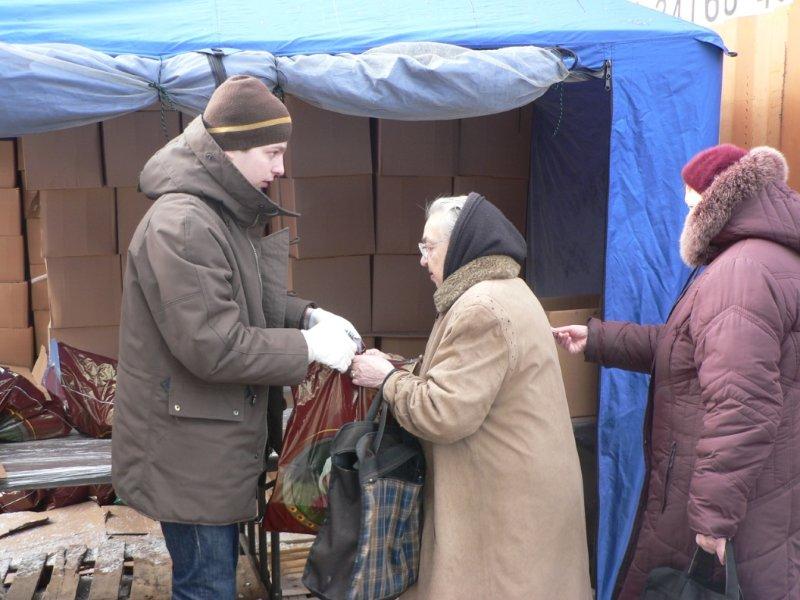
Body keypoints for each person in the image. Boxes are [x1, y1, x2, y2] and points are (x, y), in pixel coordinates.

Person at [112, 75, 359, 599]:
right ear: (231, 149)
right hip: (191, 456)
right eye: (272, 152)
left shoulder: (219, 212)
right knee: (207, 587)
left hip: (208, 443)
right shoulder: (184, 223)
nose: (280, 167)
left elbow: (238, 300)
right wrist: (308, 350)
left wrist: (306, 316)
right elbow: (215, 344)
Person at [553, 144, 800, 599]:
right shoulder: (763, 262)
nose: (684, 210)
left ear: (714, 201)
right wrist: (599, 340)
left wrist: (712, 518)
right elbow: (690, 350)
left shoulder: (741, 272)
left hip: (728, 513)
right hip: (765, 495)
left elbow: (743, 404)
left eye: (689, 199)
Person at [352, 193, 592, 599]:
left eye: (428, 247)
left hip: (503, 512)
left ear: (462, 244)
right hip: (520, 498)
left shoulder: (481, 307)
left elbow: (443, 413)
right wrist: (406, 369)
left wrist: (388, 379)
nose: (422, 259)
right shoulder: (506, 289)